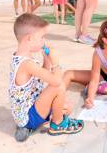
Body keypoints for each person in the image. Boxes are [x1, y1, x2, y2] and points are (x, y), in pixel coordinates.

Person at [9, 13, 84, 142]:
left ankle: (43, 122)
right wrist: (55, 63)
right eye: (42, 37)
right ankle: (58, 125)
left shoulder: (21, 57)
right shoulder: (27, 64)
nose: (44, 41)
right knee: (59, 86)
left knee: (67, 107)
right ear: (29, 39)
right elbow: (55, 81)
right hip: (29, 116)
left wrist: (46, 60)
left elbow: (42, 77)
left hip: (32, 107)